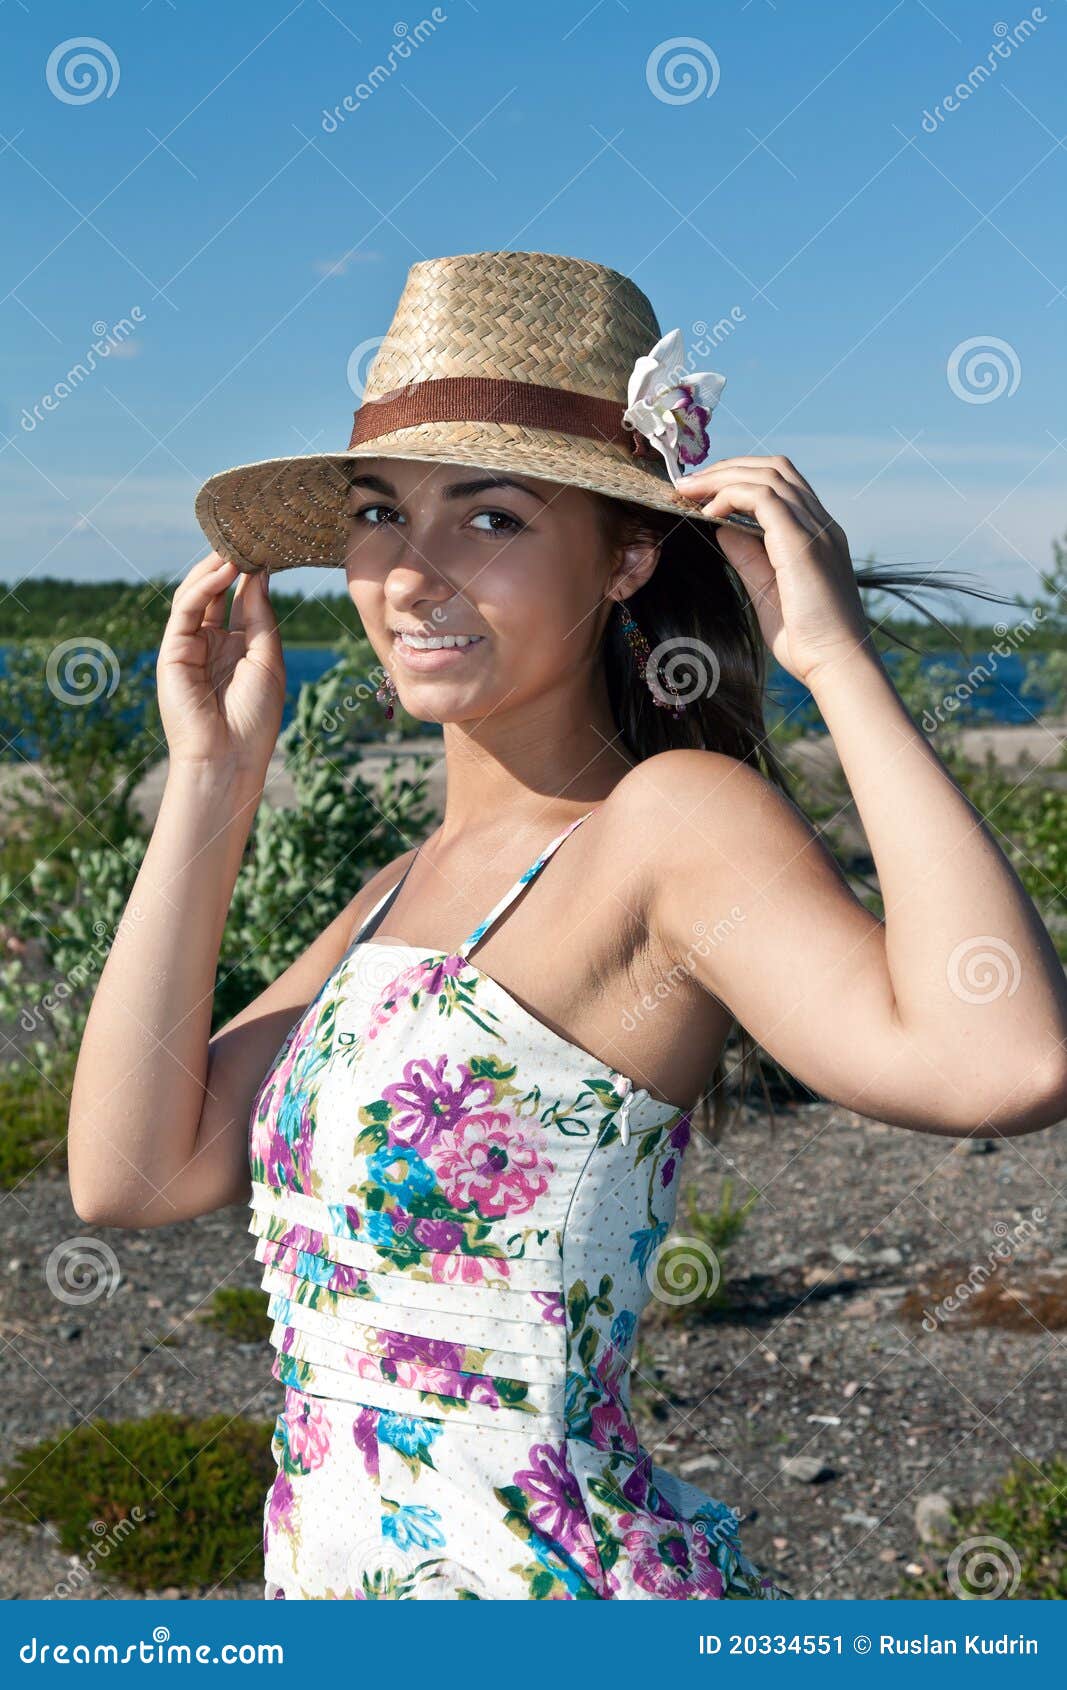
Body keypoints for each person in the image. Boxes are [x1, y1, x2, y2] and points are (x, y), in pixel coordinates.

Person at [68, 251, 1067, 1601]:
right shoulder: (394, 893)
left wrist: (834, 660)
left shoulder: (668, 825)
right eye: (380, 512)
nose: (411, 574)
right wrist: (210, 789)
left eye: (488, 520)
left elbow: (1001, 1058)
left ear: (628, 555)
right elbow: (130, 1171)